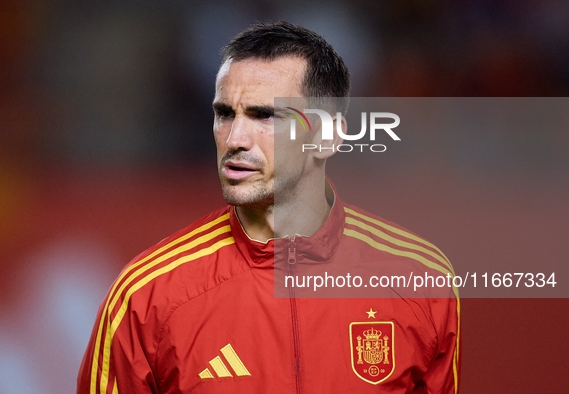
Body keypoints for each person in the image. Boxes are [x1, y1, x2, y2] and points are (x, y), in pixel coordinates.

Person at [77, 21, 460, 393]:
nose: (235, 138)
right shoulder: (147, 296)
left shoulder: (420, 281)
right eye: (224, 114)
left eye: (264, 115)